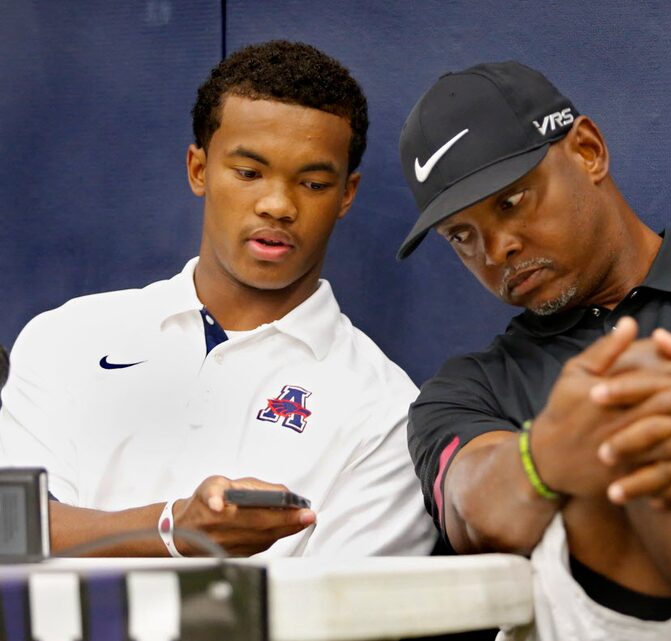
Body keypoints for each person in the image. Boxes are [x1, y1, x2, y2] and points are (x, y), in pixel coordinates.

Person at [396, 61, 671, 640]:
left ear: (588, 151)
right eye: (462, 236)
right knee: (640, 437)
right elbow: (475, 511)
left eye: (511, 201)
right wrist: (546, 456)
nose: (496, 249)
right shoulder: (465, 389)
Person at [0, 40, 435, 559]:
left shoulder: (386, 411)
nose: (277, 205)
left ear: (346, 194)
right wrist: (173, 529)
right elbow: (13, 534)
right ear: (199, 170)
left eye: (313, 183)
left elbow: (342, 617)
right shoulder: (66, 336)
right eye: (249, 173)